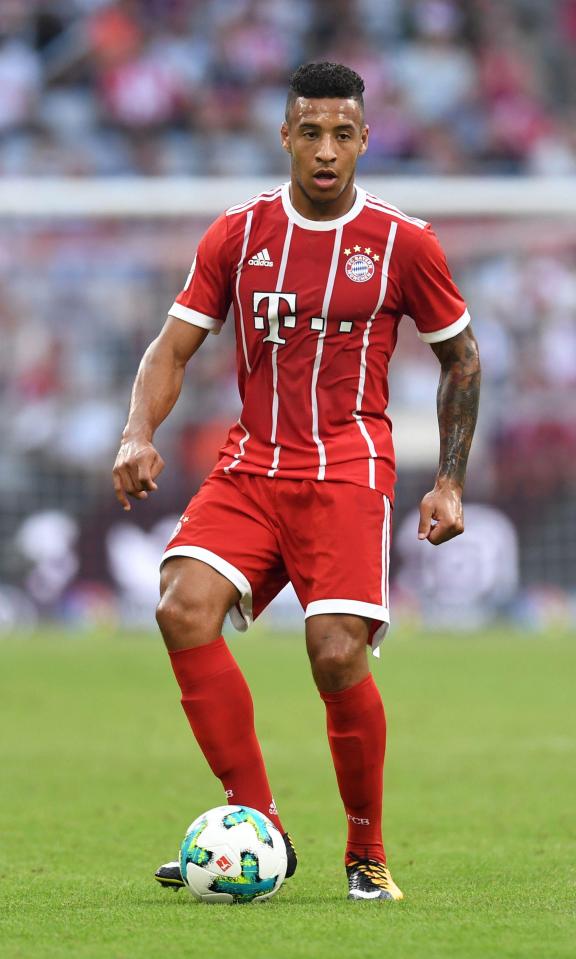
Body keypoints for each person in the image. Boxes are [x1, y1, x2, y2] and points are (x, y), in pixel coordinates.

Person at [112, 61, 481, 902]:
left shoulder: (403, 243)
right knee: (180, 605)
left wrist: (449, 480)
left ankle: (367, 852)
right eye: (310, 132)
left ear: (363, 140)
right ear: (284, 135)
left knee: (334, 651)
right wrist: (138, 431)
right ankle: (259, 823)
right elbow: (171, 349)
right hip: (254, 464)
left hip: (348, 469)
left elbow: (461, 358)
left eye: (342, 135)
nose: (325, 150)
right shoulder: (238, 234)